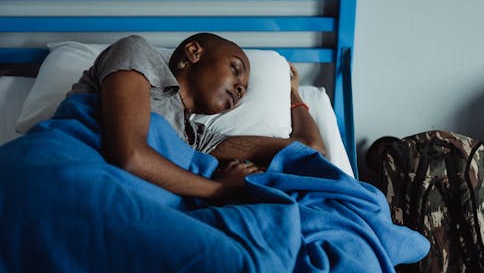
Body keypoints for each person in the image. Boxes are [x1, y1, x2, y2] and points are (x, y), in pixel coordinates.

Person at [69, 33, 325, 202]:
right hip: (75, 175)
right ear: (194, 52)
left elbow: (309, 150)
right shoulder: (136, 53)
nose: (239, 89)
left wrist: (292, 93)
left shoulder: (197, 140)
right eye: (235, 69)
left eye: (244, 89)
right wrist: (220, 190)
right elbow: (130, 156)